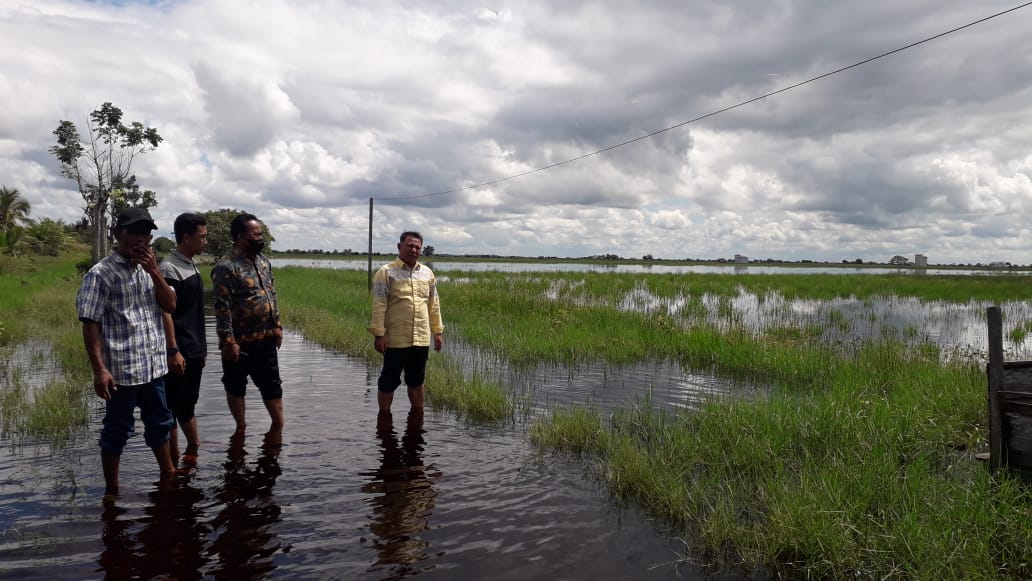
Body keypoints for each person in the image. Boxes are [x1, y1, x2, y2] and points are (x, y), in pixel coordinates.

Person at [76, 207, 178, 495]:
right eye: (134, 232)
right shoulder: (101, 274)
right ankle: (112, 492)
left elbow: (170, 306)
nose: (140, 239)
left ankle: (169, 475)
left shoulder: (150, 270)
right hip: (122, 371)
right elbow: (90, 323)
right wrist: (100, 370)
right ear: (117, 233)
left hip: (153, 368)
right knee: (117, 431)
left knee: (160, 423)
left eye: (145, 233)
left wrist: (154, 272)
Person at [211, 212, 284, 433]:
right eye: (255, 235)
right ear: (239, 237)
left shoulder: (263, 261)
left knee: (272, 385)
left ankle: (278, 427)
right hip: (239, 342)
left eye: (261, 234)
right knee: (236, 386)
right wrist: (228, 341)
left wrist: (277, 326)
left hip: (266, 337)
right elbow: (222, 307)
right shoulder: (226, 267)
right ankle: (240, 430)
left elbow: (271, 294)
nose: (260, 238)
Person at [368, 231, 444, 414]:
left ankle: (417, 418)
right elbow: (379, 305)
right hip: (395, 339)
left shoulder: (427, 273)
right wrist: (379, 334)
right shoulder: (386, 272)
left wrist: (437, 332)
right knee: (388, 381)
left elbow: (434, 304)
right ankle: (384, 419)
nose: (414, 250)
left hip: (421, 338)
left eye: (417, 247)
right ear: (399, 247)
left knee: (417, 380)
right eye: (410, 246)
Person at [159, 212, 208, 464]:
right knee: (174, 407)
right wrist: (173, 350)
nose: (205, 241)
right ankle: (176, 459)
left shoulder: (190, 263)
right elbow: (165, 311)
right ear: (186, 237)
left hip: (194, 348)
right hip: (181, 350)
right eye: (202, 237)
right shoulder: (169, 268)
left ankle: (190, 452)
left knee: (186, 404)